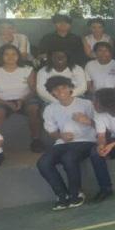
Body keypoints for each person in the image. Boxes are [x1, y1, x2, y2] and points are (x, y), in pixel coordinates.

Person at [36, 76, 97, 210]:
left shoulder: (86, 104)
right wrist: (61, 136)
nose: (60, 91)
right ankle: (61, 195)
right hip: (62, 143)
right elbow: (52, 131)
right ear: (52, 93)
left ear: (70, 88)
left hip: (86, 141)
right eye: (56, 89)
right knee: (43, 163)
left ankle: (76, 193)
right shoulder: (50, 109)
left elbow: (101, 125)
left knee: (68, 158)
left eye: (63, 87)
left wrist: (88, 121)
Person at [0, 44, 44, 152]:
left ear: (18, 56)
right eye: (6, 54)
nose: (10, 57)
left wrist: (22, 100)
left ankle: (36, 140)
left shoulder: (28, 69)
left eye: (14, 54)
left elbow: (33, 90)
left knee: (34, 109)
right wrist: (7, 103)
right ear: (1, 56)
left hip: (24, 99)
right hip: (0, 100)